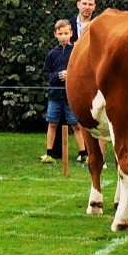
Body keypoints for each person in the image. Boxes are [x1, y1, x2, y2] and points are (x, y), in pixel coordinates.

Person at [40, 19, 84, 163]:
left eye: (66, 33)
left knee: (76, 124)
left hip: (71, 95)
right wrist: (57, 76)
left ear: (71, 33)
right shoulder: (52, 54)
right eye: (60, 33)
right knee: (52, 123)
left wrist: (70, 75)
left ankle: (83, 153)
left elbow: (81, 71)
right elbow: (46, 73)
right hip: (55, 95)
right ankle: (49, 153)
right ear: (55, 35)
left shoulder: (76, 52)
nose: (64, 36)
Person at [63, 0, 98, 163]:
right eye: (84, 3)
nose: (87, 7)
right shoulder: (67, 25)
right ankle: (75, 151)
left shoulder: (99, 26)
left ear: (94, 7)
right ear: (78, 4)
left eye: (90, 4)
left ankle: (90, 153)